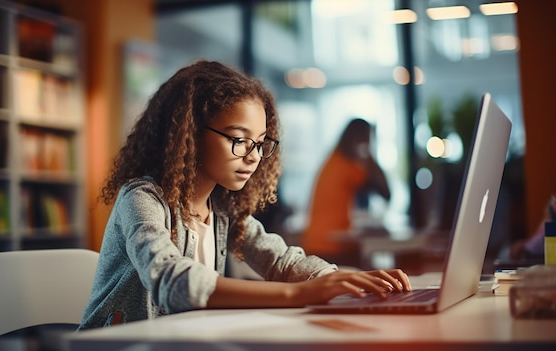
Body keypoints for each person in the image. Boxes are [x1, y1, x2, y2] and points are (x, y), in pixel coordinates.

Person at [77, 60, 410, 330]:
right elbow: (171, 280)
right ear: (190, 133)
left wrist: (341, 279)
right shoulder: (142, 198)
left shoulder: (222, 208)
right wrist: (297, 294)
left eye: (261, 142)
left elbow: (280, 261)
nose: (253, 156)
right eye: (239, 139)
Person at [301, 118, 391, 266]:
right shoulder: (347, 167)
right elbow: (385, 191)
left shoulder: (333, 160)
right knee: (373, 270)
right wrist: (370, 153)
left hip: (316, 242)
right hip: (330, 246)